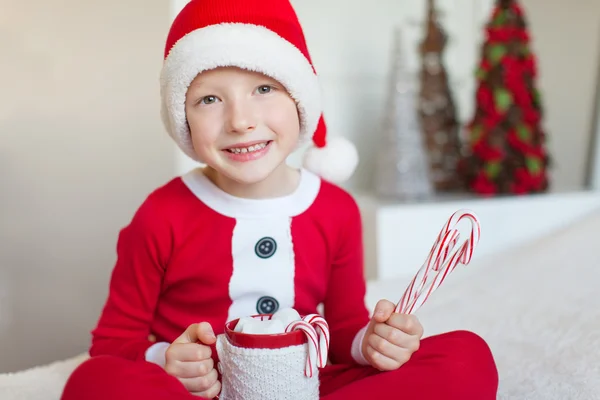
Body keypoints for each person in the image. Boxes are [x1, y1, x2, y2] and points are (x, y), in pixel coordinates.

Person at [61, 0, 499, 398]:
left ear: (300, 100)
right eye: (209, 99)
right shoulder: (162, 214)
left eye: (264, 89)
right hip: (199, 394)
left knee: (466, 357)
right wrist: (167, 361)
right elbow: (112, 344)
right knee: (91, 382)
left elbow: (345, 325)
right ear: (184, 120)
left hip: (306, 384)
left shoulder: (336, 211)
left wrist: (370, 343)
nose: (241, 120)